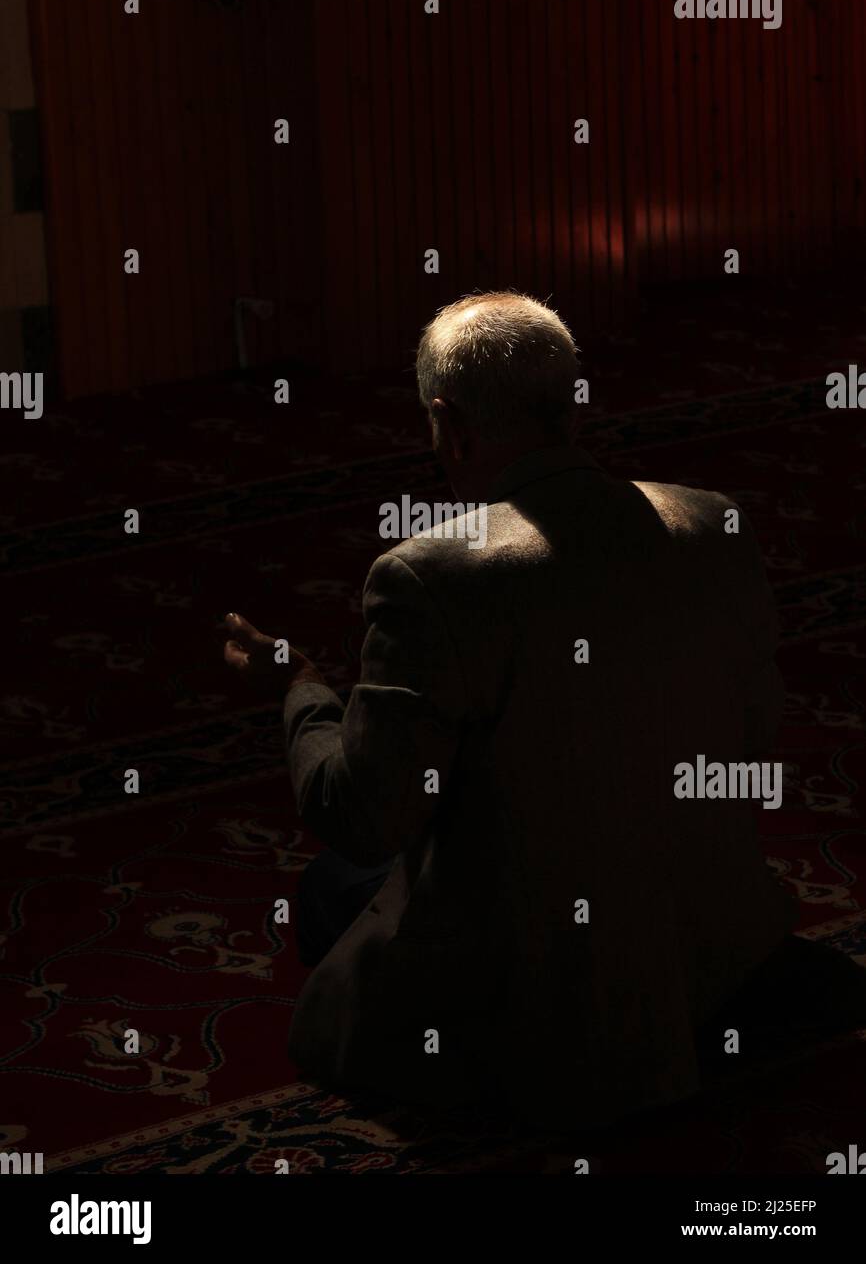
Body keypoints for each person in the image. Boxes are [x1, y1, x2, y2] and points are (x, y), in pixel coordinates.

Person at [221, 292, 866, 1130]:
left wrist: (299, 687)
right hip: (710, 946)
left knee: (332, 888)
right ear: (571, 402)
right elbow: (752, 736)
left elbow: (364, 814)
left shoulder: (429, 576)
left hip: (544, 985)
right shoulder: (712, 522)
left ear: (449, 425)